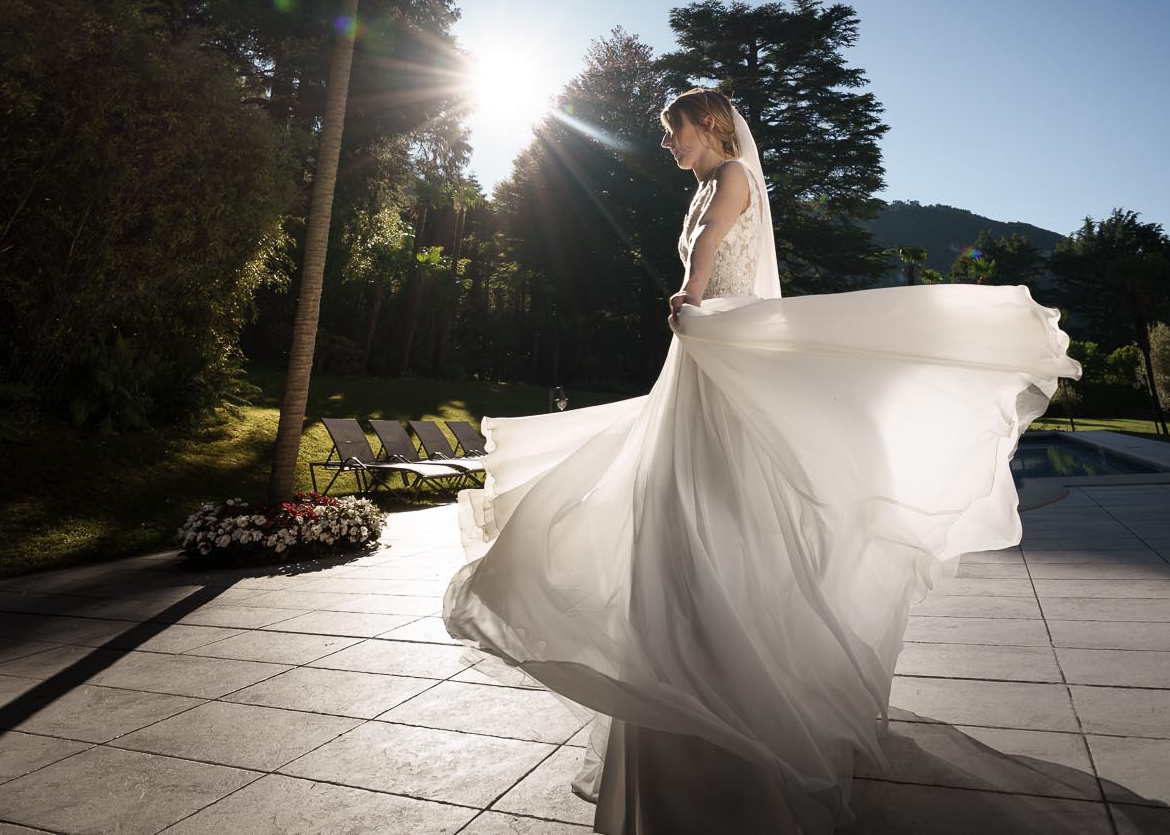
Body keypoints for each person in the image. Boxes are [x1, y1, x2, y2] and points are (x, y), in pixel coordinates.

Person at [441, 86, 1079, 834]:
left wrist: (690, 294)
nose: (667, 143)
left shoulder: (732, 175)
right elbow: (708, 235)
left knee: (709, 503)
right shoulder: (709, 181)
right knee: (670, 500)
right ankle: (688, 656)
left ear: (710, 125)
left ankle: (722, 673)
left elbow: (712, 240)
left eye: (674, 130)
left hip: (715, 339)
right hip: (702, 347)